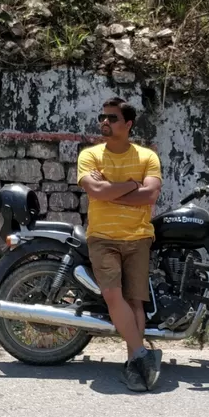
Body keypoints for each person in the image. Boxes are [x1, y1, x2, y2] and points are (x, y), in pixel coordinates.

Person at [76, 98, 164, 391]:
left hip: (138, 236)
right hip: (102, 237)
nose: (105, 122)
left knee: (136, 301)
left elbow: (149, 195)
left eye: (112, 118)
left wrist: (109, 190)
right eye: (103, 117)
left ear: (127, 125)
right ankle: (141, 355)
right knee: (114, 296)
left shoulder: (147, 157)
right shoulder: (90, 156)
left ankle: (133, 366)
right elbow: (94, 190)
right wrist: (129, 185)